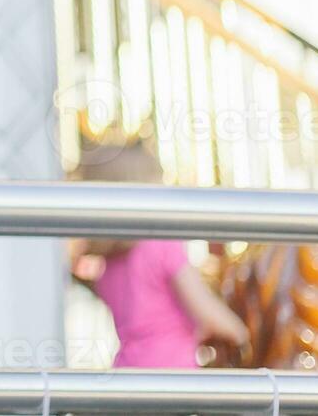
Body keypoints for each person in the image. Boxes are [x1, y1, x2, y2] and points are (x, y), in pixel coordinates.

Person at [77, 142, 250, 368]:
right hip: (172, 373)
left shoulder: (108, 264)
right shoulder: (162, 245)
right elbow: (204, 309)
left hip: (128, 370)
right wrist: (239, 332)